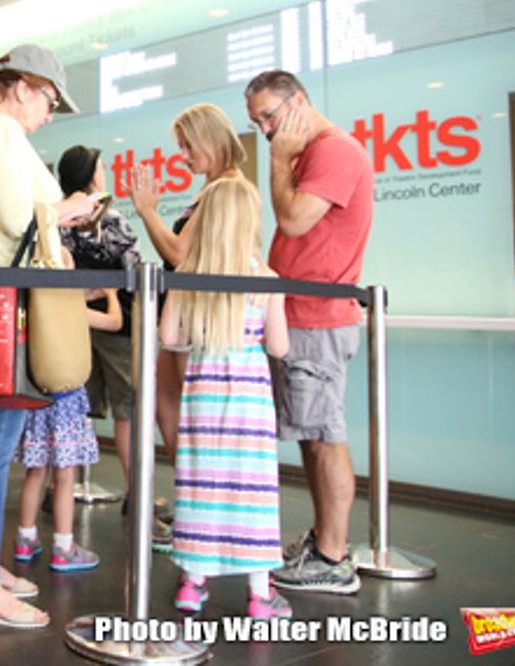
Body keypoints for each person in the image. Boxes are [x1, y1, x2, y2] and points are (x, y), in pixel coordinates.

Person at [0, 44, 95, 629]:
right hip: (1, 313)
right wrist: (71, 207)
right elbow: (17, 219)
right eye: (50, 101)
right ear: (24, 88)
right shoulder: (1, 132)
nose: (50, 115)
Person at [245, 69, 373, 594]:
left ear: (298, 101)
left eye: (270, 116)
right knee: (311, 434)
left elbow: (294, 220)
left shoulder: (333, 151)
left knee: (324, 437)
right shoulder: (307, 152)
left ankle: (333, 557)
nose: (266, 130)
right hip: (299, 315)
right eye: (257, 123)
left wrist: (279, 162)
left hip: (319, 318)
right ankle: (324, 541)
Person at [161, 175, 292, 619]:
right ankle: (259, 593)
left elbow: (169, 336)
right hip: (250, 401)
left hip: (203, 395)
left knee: (203, 484)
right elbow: (279, 347)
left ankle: (193, 583)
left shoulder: (188, 276)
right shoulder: (266, 279)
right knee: (251, 488)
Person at [127, 103, 249, 540]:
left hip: (201, 321)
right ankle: (195, 503)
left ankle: (203, 509)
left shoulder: (226, 189)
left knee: (189, 418)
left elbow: (180, 255)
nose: (183, 155)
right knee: (167, 408)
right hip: (187, 319)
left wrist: (148, 212)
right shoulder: (214, 189)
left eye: (187, 145)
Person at [55, 146, 144, 512]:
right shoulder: (111, 219)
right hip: (116, 321)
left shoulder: (59, 220)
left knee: (72, 405)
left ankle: (60, 488)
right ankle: (135, 492)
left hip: (71, 320)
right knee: (127, 409)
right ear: (93, 175)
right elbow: (134, 265)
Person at [13, 289, 122, 572]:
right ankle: (63, 546)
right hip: (67, 402)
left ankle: (25, 539)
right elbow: (115, 322)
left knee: (35, 473)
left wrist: (80, 295)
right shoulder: (75, 311)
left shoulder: (35, 308)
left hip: (37, 400)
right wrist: (110, 295)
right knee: (64, 477)